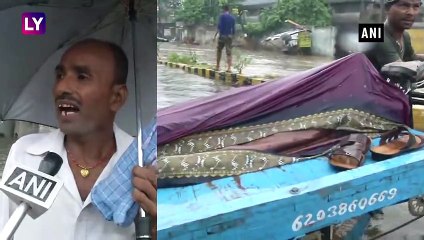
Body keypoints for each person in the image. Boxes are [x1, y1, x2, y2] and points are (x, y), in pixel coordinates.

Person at [0, 39, 157, 239]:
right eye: (60, 75)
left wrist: (155, 226)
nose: (62, 88)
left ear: (116, 97)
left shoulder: (143, 168)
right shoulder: (25, 153)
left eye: (82, 77)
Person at [362, 0, 424, 72]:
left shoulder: (405, 35)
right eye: (404, 6)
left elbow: (411, 57)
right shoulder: (373, 33)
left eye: (416, 7)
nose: (411, 12)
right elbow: (402, 71)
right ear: (387, 8)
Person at [213, 5, 236, 72]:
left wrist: (215, 36)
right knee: (229, 52)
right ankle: (229, 68)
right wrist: (232, 36)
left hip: (222, 36)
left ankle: (217, 66)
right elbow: (234, 29)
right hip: (229, 36)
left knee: (219, 50)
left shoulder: (221, 16)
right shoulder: (232, 18)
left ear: (223, 9)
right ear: (229, 10)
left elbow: (219, 27)